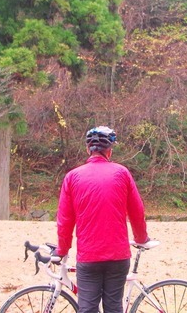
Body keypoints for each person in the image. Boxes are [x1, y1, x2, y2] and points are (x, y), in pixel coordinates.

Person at [55, 126, 150, 313]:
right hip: (118, 255)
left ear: (87, 150)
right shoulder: (122, 173)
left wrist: (62, 249)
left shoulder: (72, 177)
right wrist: (141, 239)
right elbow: (137, 212)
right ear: (110, 150)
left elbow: (65, 220)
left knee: (88, 308)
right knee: (114, 307)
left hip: (89, 255)